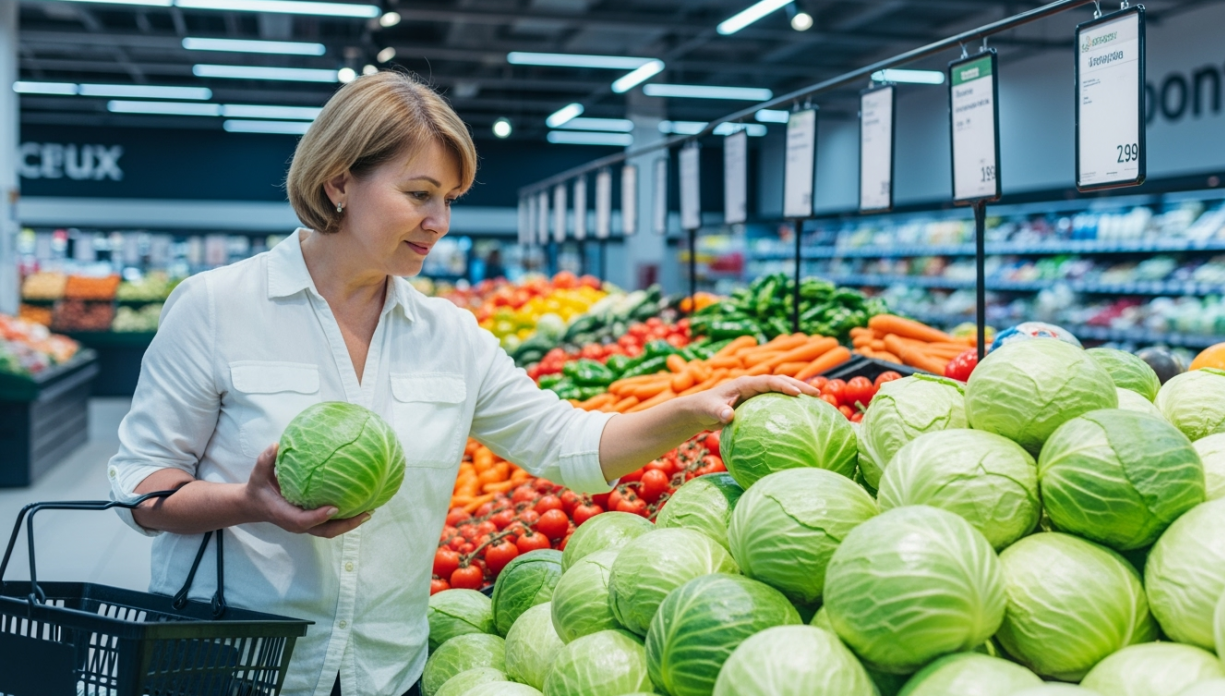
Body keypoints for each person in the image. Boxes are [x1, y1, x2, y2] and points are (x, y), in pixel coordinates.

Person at [106, 71, 814, 696]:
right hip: (231, 667)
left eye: (449, 198)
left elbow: (567, 444)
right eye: (419, 194)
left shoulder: (449, 336)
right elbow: (139, 486)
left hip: (387, 671)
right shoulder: (216, 306)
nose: (439, 223)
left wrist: (696, 407)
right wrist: (248, 502)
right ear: (340, 181)